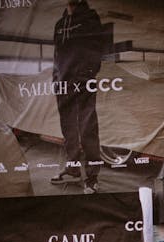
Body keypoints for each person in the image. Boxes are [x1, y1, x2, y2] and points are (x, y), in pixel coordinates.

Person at [51, 0, 104, 194]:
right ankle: (73, 168)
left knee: (87, 127)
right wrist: (56, 79)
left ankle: (92, 177)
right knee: (68, 127)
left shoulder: (90, 18)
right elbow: (57, 55)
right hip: (63, 84)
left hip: (83, 81)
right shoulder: (59, 24)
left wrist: (87, 74)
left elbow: (98, 49)